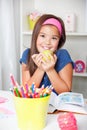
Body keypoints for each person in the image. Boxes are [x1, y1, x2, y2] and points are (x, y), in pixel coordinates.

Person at [20, 14, 74, 95]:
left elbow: (65, 92)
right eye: (42, 36)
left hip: (58, 106)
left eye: (54, 38)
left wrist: (50, 70)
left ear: (59, 40)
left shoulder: (63, 55)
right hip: (37, 105)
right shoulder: (27, 55)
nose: (47, 42)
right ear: (35, 36)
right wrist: (41, 69)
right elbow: (27, 91)